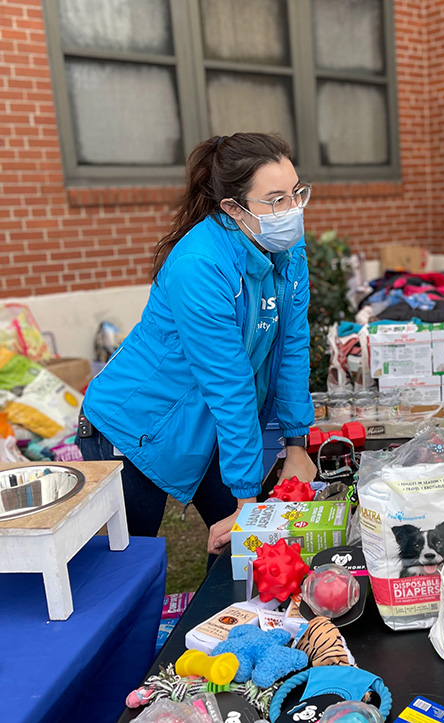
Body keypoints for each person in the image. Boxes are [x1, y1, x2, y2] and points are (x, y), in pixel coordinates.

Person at [78, 132, 317, 554]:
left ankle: (224, 620)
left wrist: (297, 443)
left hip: (206, 418)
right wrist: (246, 500)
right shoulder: (199, 265)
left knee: (247, 549)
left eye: (297, 193)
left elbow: (292, 351)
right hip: (135, 422)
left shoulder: (288, 250)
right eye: (276, 200)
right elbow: (231, 383)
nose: (293, 210)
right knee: (128, 565)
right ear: (232, 207)